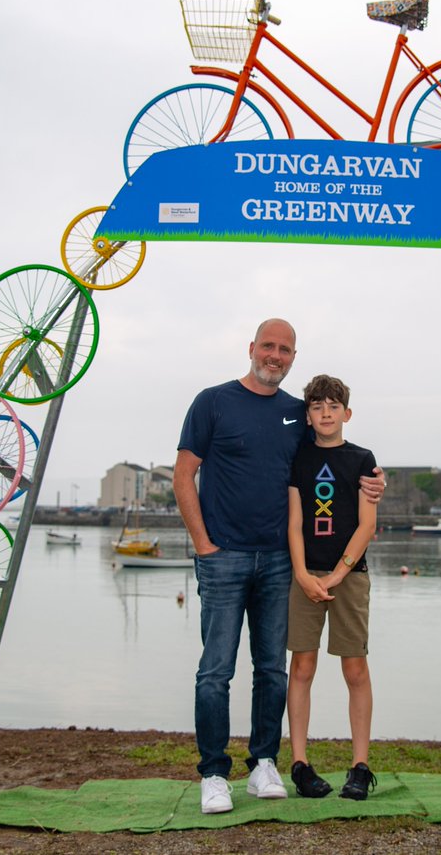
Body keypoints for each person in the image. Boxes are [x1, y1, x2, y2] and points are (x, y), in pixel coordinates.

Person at [174, 319, 384, 815]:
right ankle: (213, 773)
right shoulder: (212, 402)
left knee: (272, 669)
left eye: (284, 349)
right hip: (223, 557)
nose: (275, 355)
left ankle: (264, 763)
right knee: (215, 671)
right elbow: (184, 475)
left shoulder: (298, 413)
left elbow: (338, 459)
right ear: (252, 348)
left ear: (293, 357)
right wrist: (203, 544)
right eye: (268, 346)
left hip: (278, 563)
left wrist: (376, 481)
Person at [286, 374, 379, 801]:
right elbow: (295, 523)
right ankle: (300, 765)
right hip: (305, 575)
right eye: (317, 406)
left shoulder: (362, 460)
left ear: (347, 413)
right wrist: (303, 574)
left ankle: (360, 767)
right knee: (302, 667)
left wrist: (337, 576)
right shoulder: (299, 458)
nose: (325, 413)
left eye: (333, 406)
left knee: (355, 669)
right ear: (308, 415)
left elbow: (367, 525)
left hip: (350, 577)